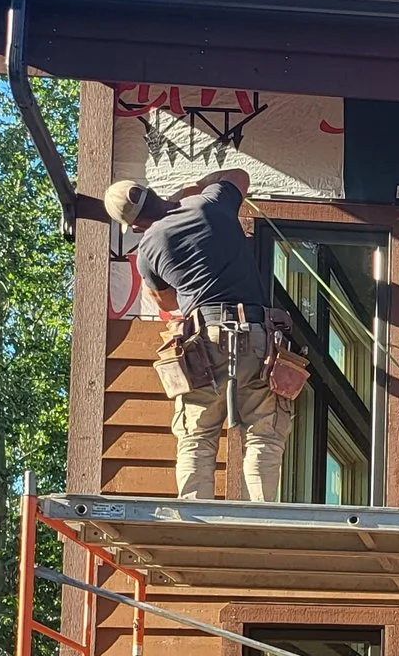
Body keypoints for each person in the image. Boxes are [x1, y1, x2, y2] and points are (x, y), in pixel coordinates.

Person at [103, 169, 292, 502]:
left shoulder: (148, 250)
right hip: (259, 336)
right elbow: (240, 176)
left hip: (203, 342)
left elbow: (169, 301)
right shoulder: (211, 203)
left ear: (134, 226)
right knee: (264, 435)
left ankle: (195, 519)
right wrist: (194, 188)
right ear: (154, 193)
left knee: (197, 438)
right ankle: (262, 517)